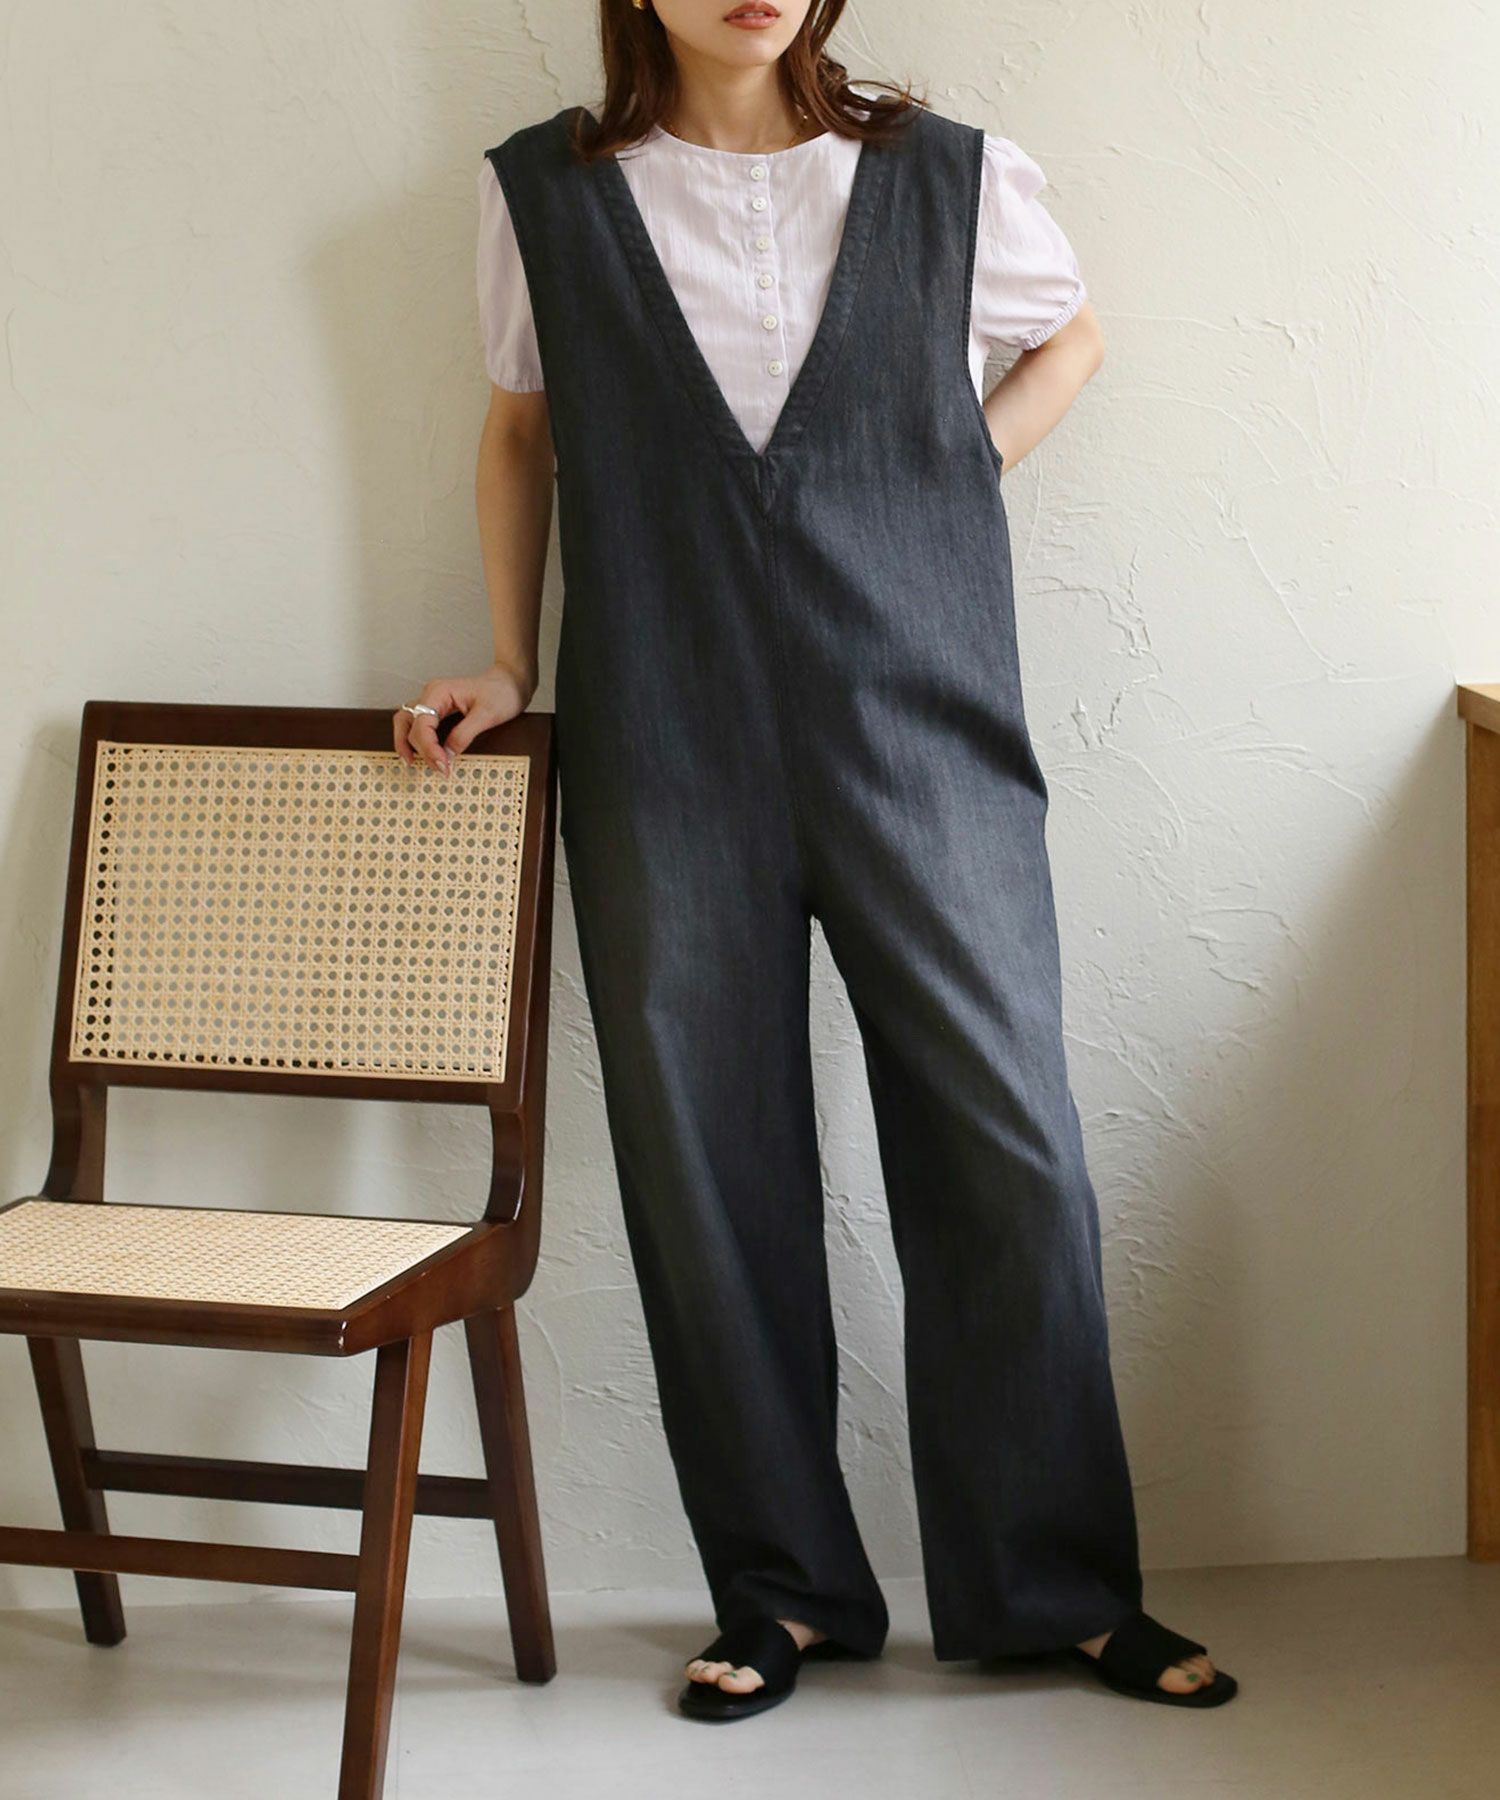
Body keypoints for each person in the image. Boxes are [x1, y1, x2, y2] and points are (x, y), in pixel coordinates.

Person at [395, 0, 1238, 1722]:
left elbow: (1071, 339)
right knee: (709, 1164)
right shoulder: (547, 195)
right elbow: (517, 432)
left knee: (1010, 1143)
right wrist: (510, 663)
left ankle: (1057, 1588)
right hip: (664, 732)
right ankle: (780, 1590)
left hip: (925, 725)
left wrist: (940, 471)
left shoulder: (948, 179)